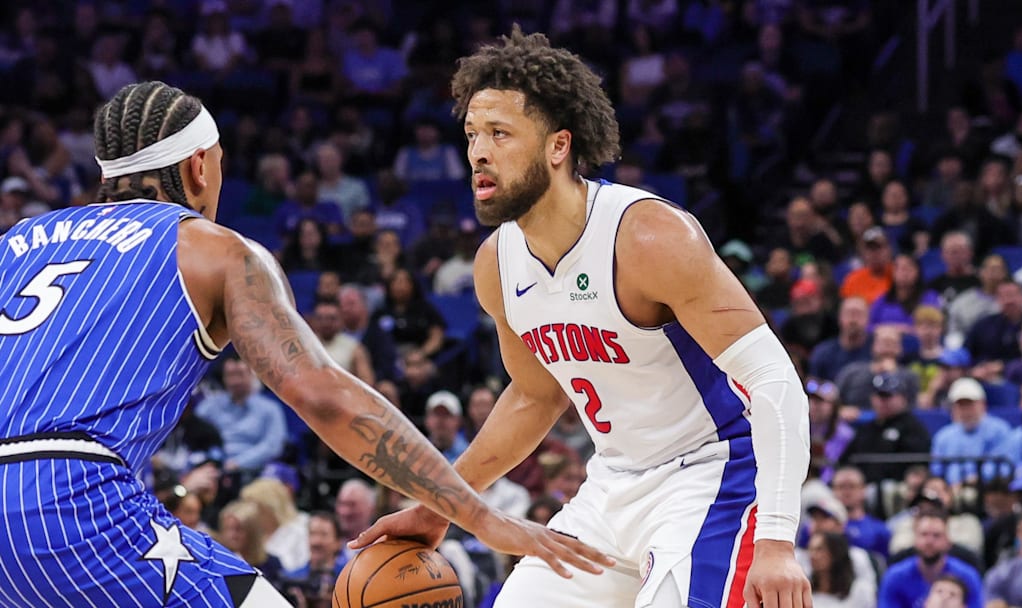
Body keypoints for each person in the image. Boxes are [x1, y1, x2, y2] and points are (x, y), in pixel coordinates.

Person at [0, 81, 610, 607]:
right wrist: (476, 515)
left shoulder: (16, 242)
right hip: (74, 503)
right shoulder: (213, 248)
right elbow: (324, 396)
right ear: (198, 168)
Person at [350, 28, 811, 608]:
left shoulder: (647, 236)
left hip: (713, 478)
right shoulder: (497, 263)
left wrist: (775, 539)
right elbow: (533, 397)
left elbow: (774, 380)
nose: (478, 153)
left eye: (499, 133)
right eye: (471, 135)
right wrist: (443, 502)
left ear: (558, 146)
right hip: (612, 485)